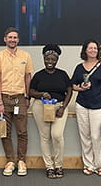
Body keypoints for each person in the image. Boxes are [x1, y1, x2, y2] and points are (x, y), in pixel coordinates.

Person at [0, 27, 34, 176]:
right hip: (4, 98)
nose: (12, 40)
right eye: (10, 37)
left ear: (18, 40)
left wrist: (27, 96)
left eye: (15, 37)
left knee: (22, 131)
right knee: (5, 132)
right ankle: (10, 161)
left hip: (20, 98)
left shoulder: (25, 56)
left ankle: (21, 161)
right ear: (5, 39)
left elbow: (28, 78)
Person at [29, 44, 72, 179]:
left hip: (59, 107)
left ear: (57, 60)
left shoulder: (62, 74)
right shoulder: (38, 75)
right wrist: (42, 94)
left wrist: (63, 107)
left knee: (57, 135)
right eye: (48, 59)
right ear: (44, 58)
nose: (50, 62)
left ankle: (58, 165)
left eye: (53, 59)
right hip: (41, 107)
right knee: (45, 137)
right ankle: (49, 167)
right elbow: (30, 91)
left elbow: (69, 90)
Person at [71, 39, 101, 177]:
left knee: (96, 137)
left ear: (98, 50)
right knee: (85, 137)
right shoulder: (79, 67)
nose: (93, 50)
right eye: (90, 48)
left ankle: (100, 165)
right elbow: (73, 86)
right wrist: (81, 88)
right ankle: (88, 165)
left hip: (99, 106)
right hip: (82, 105)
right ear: (85, 50)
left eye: (95, 48)